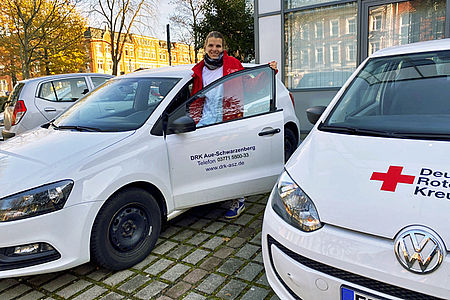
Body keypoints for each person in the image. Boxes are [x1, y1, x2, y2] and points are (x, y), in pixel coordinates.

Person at [190, 31, 277, 218]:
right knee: (209, 161)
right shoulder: (198, 70)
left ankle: (238, 200)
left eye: (218, 46)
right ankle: (214, 194)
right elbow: (195, 97)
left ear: (224, 48)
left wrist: (268, 71)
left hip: (230, 119)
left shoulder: (233, 65)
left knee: (231, 160)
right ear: (205, 47)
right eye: (211, 46)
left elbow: (251, 86)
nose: (214, 49)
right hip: (207, 119)